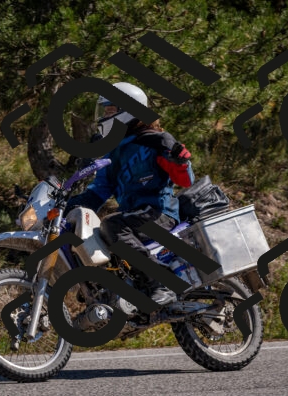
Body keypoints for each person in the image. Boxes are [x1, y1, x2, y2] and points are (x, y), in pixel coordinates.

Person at [64, 82, 195, 306]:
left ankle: (160, 283)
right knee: (92, 232)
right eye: (104, 111)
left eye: (109, 111)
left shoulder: (155, 141)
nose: (104, 117)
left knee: (112, 225)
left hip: (159, 213)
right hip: (133, 217)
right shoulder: (113, 151)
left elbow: (185, 181)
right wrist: (68, 206)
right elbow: (99, 191)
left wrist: (180, 161)